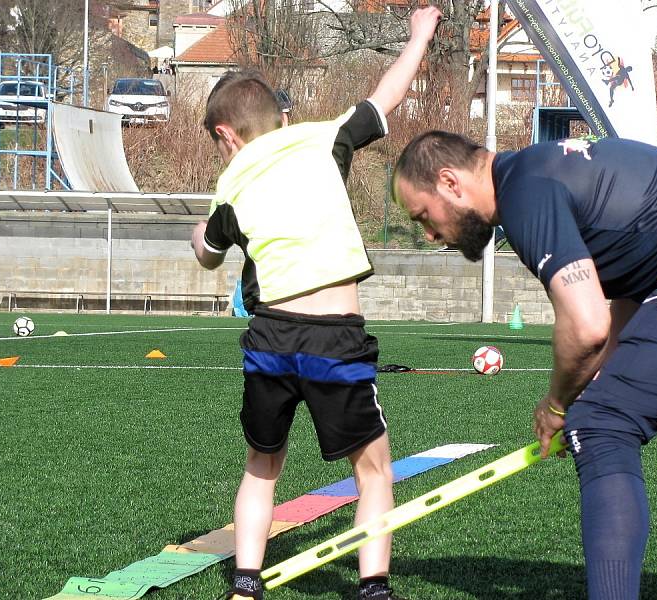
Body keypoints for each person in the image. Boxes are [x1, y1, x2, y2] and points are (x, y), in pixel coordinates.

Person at [391, 131, 657, 600]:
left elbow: (586, 324)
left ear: (450, 182)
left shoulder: (526, 190)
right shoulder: (542, 171)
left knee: (601, 424)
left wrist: (558, 405)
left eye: (423, 217)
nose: (427, 235)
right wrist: (600, 375)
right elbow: (629, 291)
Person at [191, 7, 442, 600]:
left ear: (227, 136)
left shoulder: (231, 185)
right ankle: (373, 587)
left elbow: (208, 251)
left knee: (261, 464)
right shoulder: (323, 138)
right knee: (373, 470)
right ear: (281, 116)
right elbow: (387, 96)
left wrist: (198, 242)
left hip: (271, 340)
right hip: (334, 337)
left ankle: (245, 584)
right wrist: (420, 35)